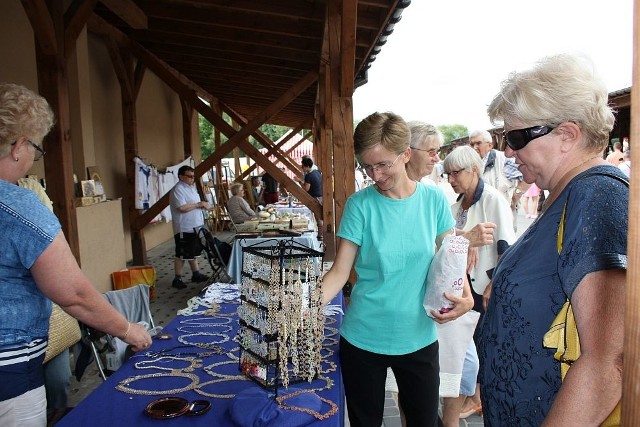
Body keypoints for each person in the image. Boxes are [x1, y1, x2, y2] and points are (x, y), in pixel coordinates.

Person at [479, 53, 627, 425]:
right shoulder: (566, 194)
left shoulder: (596, 196)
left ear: (566, 135)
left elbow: (608, 360)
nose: (508, 150)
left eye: (515, 136)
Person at [0, 82, 151, 426]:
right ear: (19, 145)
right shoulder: (18, 206)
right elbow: (75, 293)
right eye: (36, 149)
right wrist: (127, 329)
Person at [320, 111, 474, 427]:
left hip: (418, 336)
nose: (375, 175)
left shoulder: (433, 199)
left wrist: (467, 297)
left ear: (405, 154)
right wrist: (301, 307)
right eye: (368, 166)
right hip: (363, 337)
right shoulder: (359, 205)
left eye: (383, 164)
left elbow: (451, 259)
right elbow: (339, 272)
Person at [441, 146, 516, 425]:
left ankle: (477, 399)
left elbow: (506, 246)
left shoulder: (493, 199)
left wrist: (493, 285)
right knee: (467, 348)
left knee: (480, 347)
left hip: (483, 286)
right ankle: (474, 397)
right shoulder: (454, 206)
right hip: (461, 287)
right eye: (447, 174)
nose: (451, 180)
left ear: (474, 169)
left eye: (456, 173)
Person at [468, 130, 529, 228]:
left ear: (490, 145)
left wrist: (516, 195)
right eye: (472, 144)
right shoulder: (470, 163)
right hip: (480, 215)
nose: (475, 147)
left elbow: (529, 174)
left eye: (478, 143)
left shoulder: (503, 160)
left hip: (502, 217)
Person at [169, 165, 209, 289]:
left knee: (193, 251)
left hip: (195, 225)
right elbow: (181, 207)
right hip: (184, 227)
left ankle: (196, 273)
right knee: (182, 253)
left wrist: (202, 206)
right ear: (181, 176)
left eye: (193, 176)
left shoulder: (191, 188)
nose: (192, 179)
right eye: (189, 176)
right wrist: (198, 205)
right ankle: (177, 278)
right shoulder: (178, 189)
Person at [406, 121, 443, 185]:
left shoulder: (431, 187)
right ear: (407, 153)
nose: (436, 159)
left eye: (437, 152)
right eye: (431, 152)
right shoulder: (386, 190)